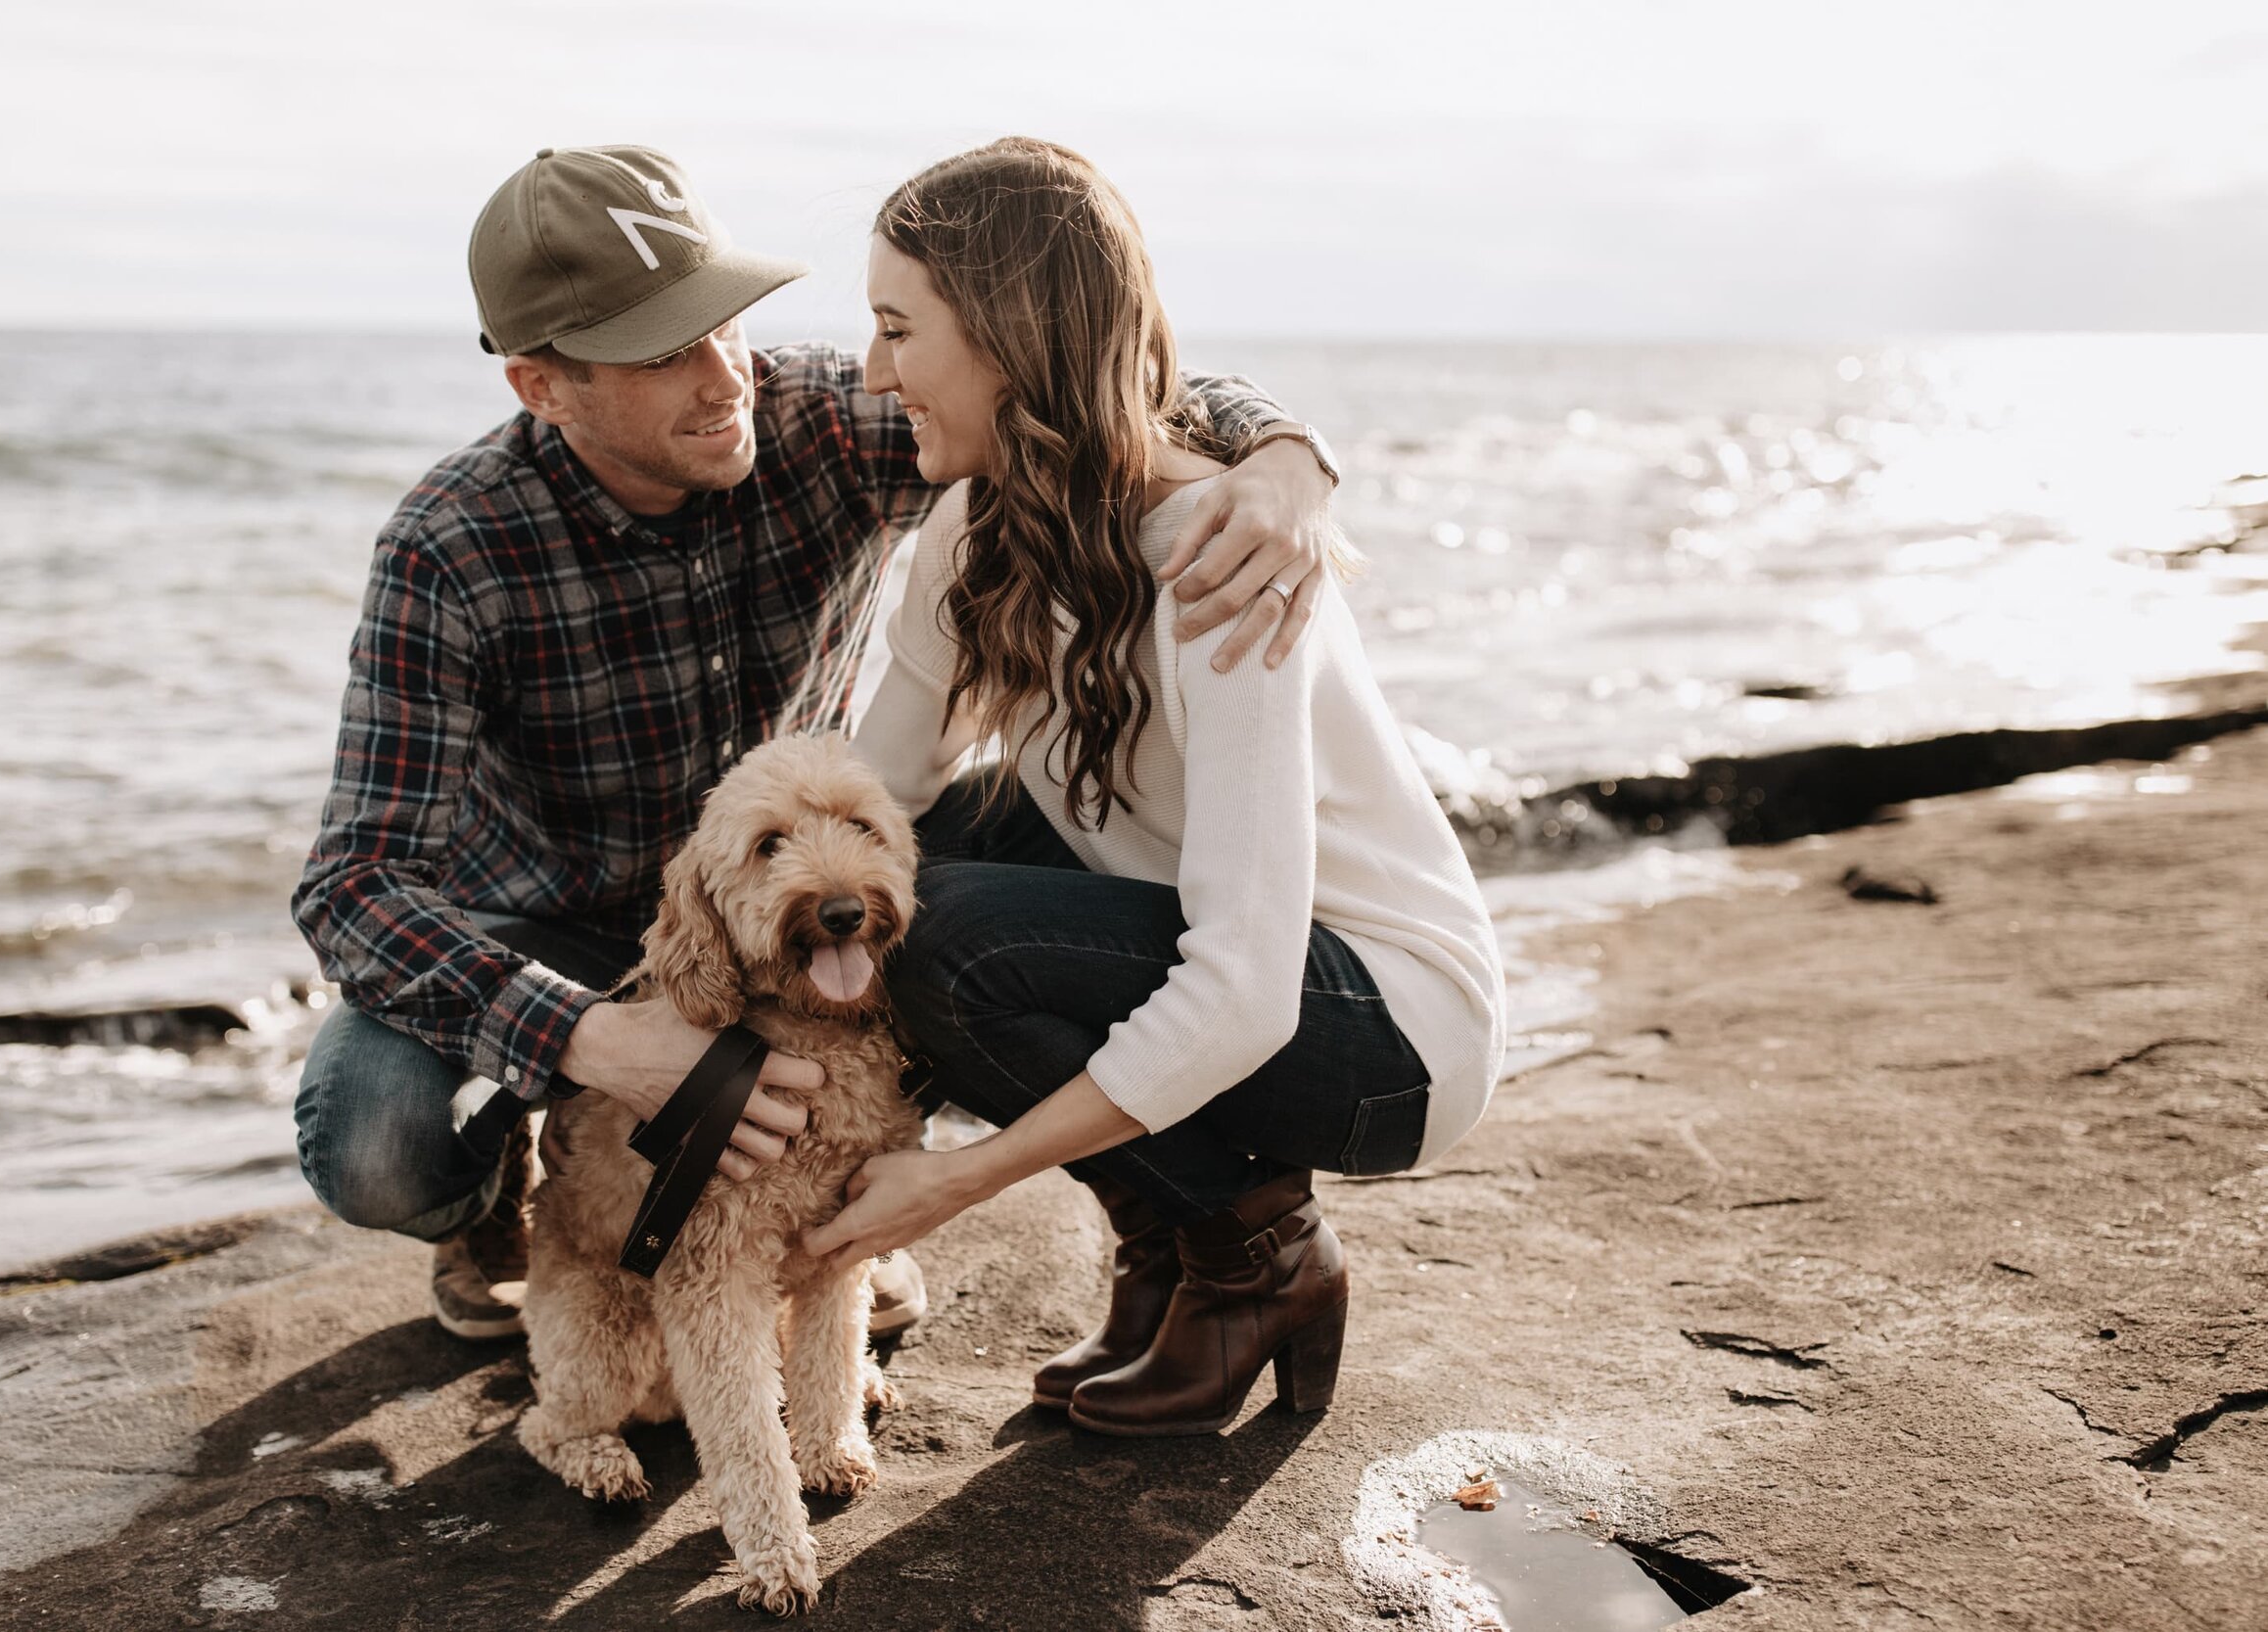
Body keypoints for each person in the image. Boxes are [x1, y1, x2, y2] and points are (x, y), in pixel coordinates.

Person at [289, 143, 1344, 1340]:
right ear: (544, 388)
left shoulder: (819, 426)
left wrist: (1282, 457)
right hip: (562, 934)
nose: (721, 375)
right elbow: (352, 886)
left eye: (723, 321)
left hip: (798, 898)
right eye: (662, 350)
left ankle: (852, 1189)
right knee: (372, 1136)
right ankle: (513, 1203)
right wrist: (601, 1040)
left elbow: (1072, 383)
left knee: (1015, 856)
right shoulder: (452, 545)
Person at [805, 138, 1506, 1437]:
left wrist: (951, 1180)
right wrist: (703, 982)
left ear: (1011, 335)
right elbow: (870, 795)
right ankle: (1169, 1240)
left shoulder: (1219, 555)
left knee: (947, 936)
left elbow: (1242, 984)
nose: (874, 370)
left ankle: (1258, 1255)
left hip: (1388, 1023)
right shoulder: (972, 526)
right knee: (894, 869)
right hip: (1224, 943)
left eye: (900, 328)